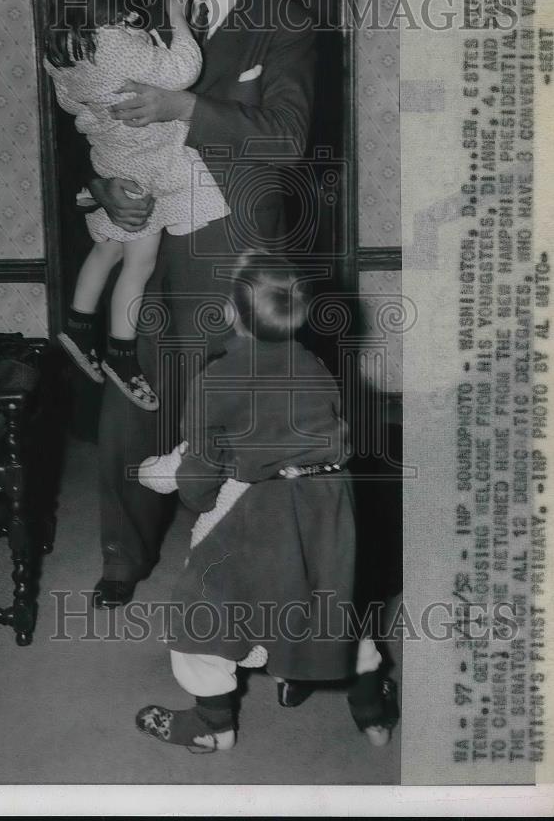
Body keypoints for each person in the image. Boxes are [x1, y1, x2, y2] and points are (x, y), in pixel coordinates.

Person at [85, 0, 318, 611]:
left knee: (230, 418)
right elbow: (91, 123)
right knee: (130, 408)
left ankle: (244, 567)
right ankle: (122, 554)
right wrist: (101, 187)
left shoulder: (283, 17)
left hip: (234, 252)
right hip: (148, 249)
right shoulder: (137, 11)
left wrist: (184, 104)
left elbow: (286, 139)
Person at [132, 253, 396, 752]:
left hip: (263, 508)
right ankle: (372, 710)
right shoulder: (317, 366)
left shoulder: (216, 379)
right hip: (330, 504)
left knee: (202, 611)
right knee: (327, 601)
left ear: (231, 313)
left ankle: (213, 723)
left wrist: (188, 490)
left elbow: (200, 473)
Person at [43, 0, 230, 410]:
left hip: (108, 155)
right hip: (146, 162)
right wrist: (175, 21)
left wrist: (100, 103)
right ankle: (120, 354)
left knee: (106, 247)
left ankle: (79, 324)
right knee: (138, 262)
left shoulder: (61, 43)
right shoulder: (117, 45)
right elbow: (182, 71)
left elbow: (69, 101)